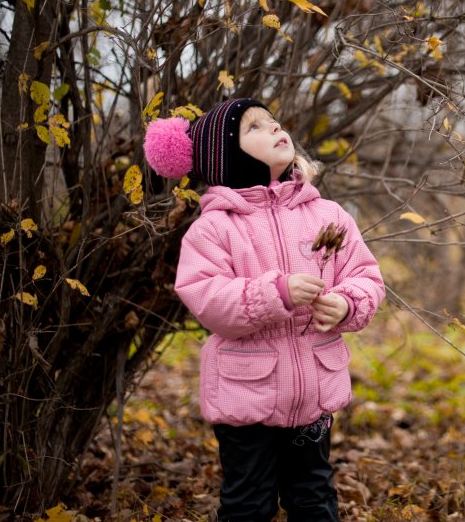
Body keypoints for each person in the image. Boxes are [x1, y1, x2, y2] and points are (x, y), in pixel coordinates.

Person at [143, 98, 385, 521]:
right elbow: (208, 298)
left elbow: (365, 275)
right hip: (246, 396)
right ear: (227, 157)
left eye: (274, 120)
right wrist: (278, 293)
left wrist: (345, 304)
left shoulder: (326, 215)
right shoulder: (214, 229)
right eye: (255, 127)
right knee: (248, 503)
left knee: (314, 496)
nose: (275, 128)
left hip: (313, 391)